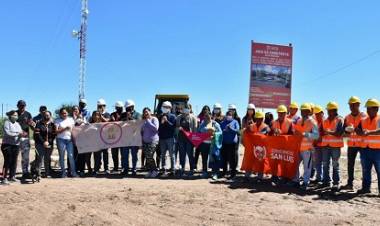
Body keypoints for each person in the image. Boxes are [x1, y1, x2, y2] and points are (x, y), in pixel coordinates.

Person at [341, 96, 367, 190]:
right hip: (351, 144)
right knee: (350, 164)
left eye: (354, 104)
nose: (352, 106)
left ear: (358, 105)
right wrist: (347, 130)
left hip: (362, 144)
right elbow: (344, 130)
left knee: (365, 166)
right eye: (351, 105)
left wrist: (355, 128)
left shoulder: (364, 115)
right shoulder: (347, 117)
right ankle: (349, 184)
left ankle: (365, 186)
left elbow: (364, 129)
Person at [355, 98, 380, 196]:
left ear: (376, 109)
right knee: (365, 170)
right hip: (365, 149)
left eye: (370, 109)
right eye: (367, 109)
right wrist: (358, 131)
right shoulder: (363, 120)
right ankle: (366, 188)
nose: (368, 111)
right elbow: (358, 129)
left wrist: (370, 132)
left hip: (378, 150)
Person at [292, 103, 319, 191]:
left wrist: (304, 134)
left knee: (307, 167)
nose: (303, 112)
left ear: (308, 111)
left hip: (307, 149)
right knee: (295, 165)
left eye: (304, 111)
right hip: (298, 148)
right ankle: (296, 181)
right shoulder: (299, 121)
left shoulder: (312, 122)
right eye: (302, 110)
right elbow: (296, 132)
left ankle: (305, 182)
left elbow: (316, 135)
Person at [318, 102, 344, 191]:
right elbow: (321, 131)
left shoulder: (340, 119)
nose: (328, 112)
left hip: (335, 146)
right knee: (325, 164)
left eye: (330, 110)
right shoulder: (324, 120)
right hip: (325, 145)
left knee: (335, 165)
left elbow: (339, 133)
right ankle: (326, 182)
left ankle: (336, 183)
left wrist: (328, 132)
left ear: (334, 110)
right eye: (328, 110)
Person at [241, 111, 269, 181]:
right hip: (252, 147)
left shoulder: (266, 127)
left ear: (263, 119)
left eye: (260, 118)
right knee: (249, 160)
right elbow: (245, 132)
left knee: (261, 162)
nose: (258, 120)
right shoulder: (251, 126)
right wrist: (247, 127)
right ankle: (247, 176)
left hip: (262, 148)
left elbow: (266, 134)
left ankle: (260, 177)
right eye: (257, 118)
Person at [269, 105, 293, 185]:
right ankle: (274, 176)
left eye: (282, 113)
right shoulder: (274, 122)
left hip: (286, 146)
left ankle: (285, 177)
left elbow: (292, 135)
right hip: (276, 146)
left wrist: (282, 134)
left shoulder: (290, 122)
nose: (281, 115)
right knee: (275, 161)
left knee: (285, 162)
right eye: (279, 113)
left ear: (286, 113)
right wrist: (273, 132)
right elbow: (270, 134)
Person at [1, 111, 24, 184]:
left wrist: (21, 134)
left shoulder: (17, 124)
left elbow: (21, 132)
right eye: (14, 115)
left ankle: (12, 176)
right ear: (10, 116)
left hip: (16, 145)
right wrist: (18, 133)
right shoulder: (7, 123)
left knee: (14, 161)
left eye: (17, 115)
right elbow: (8, 133)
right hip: (7, 145)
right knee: (8, 161)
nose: (16, 116)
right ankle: (4, 178)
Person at [120, 99, 142, 176]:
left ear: (132, 107)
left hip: (134, 138)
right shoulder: (123, 114)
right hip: (125, 138)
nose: (127, 109)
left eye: (129, 107)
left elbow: (139, 124)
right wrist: (126, 118)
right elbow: (119, 124)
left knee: (134, 155)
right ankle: (125, 169)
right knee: (125, 155)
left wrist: (131, 118)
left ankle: (134, 169)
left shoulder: (138, 114)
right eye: (126, 108)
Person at [55, 108, 78, 178]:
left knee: (71, 156)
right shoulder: (57, 120)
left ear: (67, 113)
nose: (64, 114)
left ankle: (73, 172)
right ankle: (63, 173)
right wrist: (65, 128)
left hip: (69, 140)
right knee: (62, 156)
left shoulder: (71, 120)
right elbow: (56, 131)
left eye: (65, 113)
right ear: (60, 114)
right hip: (61, 139)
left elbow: (74, 130)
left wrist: (74, 139)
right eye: (63, 113)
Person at [197, 112, 221, 179]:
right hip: (204, 144)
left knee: (214, 159)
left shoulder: (215, 124)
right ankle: (204, 172)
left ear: (211, 116)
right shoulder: (202, 124)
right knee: (204, 158)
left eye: (208, 116)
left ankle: (215, 173)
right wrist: (204, 132)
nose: (206, 117)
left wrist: (214, 136)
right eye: (205, 116)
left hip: (212, 144)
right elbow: (198, 132)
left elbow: (220, 133)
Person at [176, 103, 198, 177]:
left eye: (188, 108)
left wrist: (194, 139)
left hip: (190, 139)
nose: (186, 109)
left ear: (190, 109)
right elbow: (176, 127)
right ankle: (182, 168)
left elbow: (195, 129)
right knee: (182, 154)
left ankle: (192, 168)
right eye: (185, 107)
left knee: (190, 154)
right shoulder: (179, 117)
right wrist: (178, 128)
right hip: (181, 138)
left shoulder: (193, 117)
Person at [34, 111, 56, 178]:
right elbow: (37, 134)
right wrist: (43, 142)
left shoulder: (52, 124)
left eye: (48, 115)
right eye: (45, 115)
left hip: (49, 144)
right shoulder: (39, 124)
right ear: (43, 116)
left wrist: (49, 142)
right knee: (39, 158)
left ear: (50, 116)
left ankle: (47, 173)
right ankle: (38, 174)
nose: (46, 116)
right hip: (39, 144)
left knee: (47, 159)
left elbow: (54, 134)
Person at [16, 100, 34, 180]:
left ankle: (25, 172)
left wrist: (32, 124)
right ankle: (11, 173)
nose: (22, 107)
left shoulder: (28, 114)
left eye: (23, 106)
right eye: (20, 105)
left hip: (25, 138)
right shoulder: (15, 114)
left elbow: (31, 125)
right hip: (15, 138)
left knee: (25, 157)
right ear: (17, 106)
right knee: (14, 156)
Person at [158, 101, 177, 176]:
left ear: (170, 108)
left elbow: (173, 128)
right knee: (163, 155)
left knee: (171, 155)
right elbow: (159, 128)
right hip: (162, 138)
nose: (165, 108)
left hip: (170, 138)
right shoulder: (160, 116)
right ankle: (163, 168)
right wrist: (162, 123)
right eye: (164, 107)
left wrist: (167, 121)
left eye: (166, 107)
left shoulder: (173, 116)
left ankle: (173, 169)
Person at [220, 110, 240, 179]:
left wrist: (230, 128)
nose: (228, 116)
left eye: (230, 115)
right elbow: (220, 131)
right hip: (224, 143)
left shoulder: (235, 122)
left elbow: (237, 131)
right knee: (224, 158)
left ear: (232, 116)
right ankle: (224, 172)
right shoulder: (222, 123)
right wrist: (224, 130)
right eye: (227, 114)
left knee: (232, 159)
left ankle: (233, 173)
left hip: (232, 144)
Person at [72, 105, 91, 177]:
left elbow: (88, 126)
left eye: (76, 109)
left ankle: (82, 170)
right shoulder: (70, 119)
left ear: (79, 111)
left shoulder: (83, 118)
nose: (75, 111)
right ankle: (75, 170)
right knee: (74, 156)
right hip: (74, 141)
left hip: (82, 141)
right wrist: (74, 120)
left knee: (82, 156)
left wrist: (82, 121)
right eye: (74, 109)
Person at [141, 107, 160, 178]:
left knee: (150, 155)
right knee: (147, 157)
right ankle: (151, 171)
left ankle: (155, 171)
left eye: (147, 111)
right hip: (145, 141)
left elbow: (155, 129)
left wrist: (148, 121)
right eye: (144, 112)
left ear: (150, 111)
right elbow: (142, 131)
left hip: (153, 141)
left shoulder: (154, 119)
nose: (145, 113)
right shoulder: (144, 121)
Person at [194, 105, 211, 171]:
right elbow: (197, 127)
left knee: (207, 154)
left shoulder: (210, 116)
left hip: (208, 139)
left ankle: (208, 167)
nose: (205, 110)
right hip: (199, 137)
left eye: (207, 109)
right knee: (197, 151)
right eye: (204, 109)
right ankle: (195, 165)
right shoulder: (199, 117)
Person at [311, 105, 324, 184]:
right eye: (316, 114)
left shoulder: (325, 121)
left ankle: (323, 179)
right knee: (317, 163)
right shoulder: (315, 122)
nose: (317, 115)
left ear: (322, 113)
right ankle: (318, 178)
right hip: (316, 145)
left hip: (324, 145)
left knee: (325, 163)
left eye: (318, 113)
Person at [110, 101, 124, 172]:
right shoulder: (112, 114)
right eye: (117, 108)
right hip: (114, 137)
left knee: (122, 153)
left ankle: (122, 167)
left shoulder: (124, 114)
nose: (119, 109)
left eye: (120, 108)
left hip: (122, 137)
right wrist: (112, 119)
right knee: (114, 153)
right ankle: (115, 167)